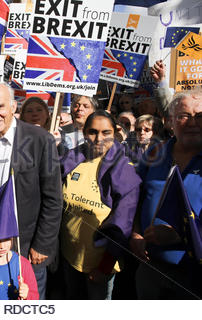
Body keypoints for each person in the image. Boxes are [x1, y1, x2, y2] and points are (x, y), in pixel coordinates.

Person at [0, 83, 62, 299]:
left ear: (13, 106)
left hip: (27, 246)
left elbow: (53, 199)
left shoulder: (41, 140)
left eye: (0, 107)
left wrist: (42, 244)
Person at [60, 110, 141, 299]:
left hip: (100, 264)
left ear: (116, 132)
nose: (99, 138)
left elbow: (124, 220)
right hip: (68, 255)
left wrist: (104, 267)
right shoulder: (71, 159)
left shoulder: (124, 169)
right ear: (84, 132)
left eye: (106, 133)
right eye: (93, 132)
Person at [131, 90, 201, 299]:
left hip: (193, 274)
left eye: (199, 116)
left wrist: (181, 233)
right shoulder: (154, 153)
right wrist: (135, 232)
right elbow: (136, 196)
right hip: (150, 267)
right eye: (183, 116)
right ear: (170, 121)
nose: (192, 122)